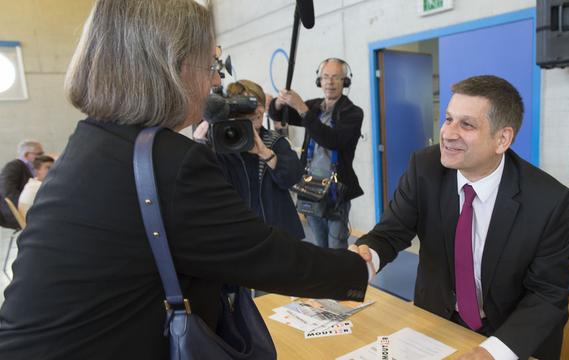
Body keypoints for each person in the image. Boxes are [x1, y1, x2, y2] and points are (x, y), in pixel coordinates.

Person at [0, 1, 369, 359]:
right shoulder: (169, 162)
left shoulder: (89, 143)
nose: (214, 80)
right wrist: (361, 266)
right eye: (210, 65)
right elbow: (266, 256)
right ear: (172, 68)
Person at [351, 76, 569, 360]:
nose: (448, 133)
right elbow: (390, 232)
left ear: (502, 139)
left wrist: (491, 353)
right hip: (436, 321)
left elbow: (548, 294)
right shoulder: (425, 167)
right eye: (448, 119)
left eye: (466, 124)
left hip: (509, 337)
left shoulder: (547, 200)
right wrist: (364, 262)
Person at [269, 58, 364, 249]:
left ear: (345, 82)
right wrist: (279, 104)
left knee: (336, 246)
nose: (329, 82)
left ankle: (339, 279)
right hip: (310, 187)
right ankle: (325, 279)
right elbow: (279, 115)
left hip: (337, 189)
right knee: (319, 245)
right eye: (325, 77)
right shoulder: (314, 107)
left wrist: (302, 108)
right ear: (319, 81)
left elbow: (332, 140)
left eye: (336, 78)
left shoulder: (352, 113)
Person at [195, 80, 305, 240]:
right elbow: (205, 192)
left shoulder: (274, 141)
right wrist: (200, 148)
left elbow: (293, 178)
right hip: (239, 237)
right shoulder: (220, 148)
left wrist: (265, 152)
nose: (257, 111)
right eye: (246, 108)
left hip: (279, 234)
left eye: (259, 105)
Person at [0, 140, 43, 229]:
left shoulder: (32, 168)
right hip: (14, 213)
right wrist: (26, 208)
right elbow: (7, 191)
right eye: (39, 154)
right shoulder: (13, 166)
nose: (42, 157)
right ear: (27, 154)